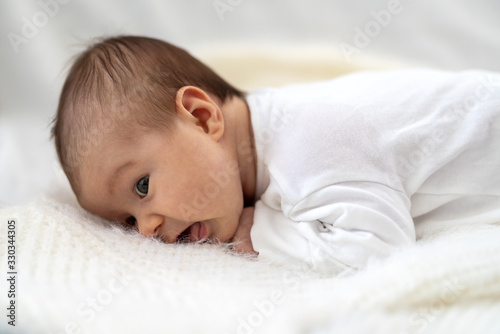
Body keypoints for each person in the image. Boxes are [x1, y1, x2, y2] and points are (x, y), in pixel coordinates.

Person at [52, 35, 500, 276]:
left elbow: (380, 248)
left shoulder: (311, 142)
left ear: (202, 116)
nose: (146, 230)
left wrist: (260, 232)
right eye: (128, 221)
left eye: (142, 186)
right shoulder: (265, 139)